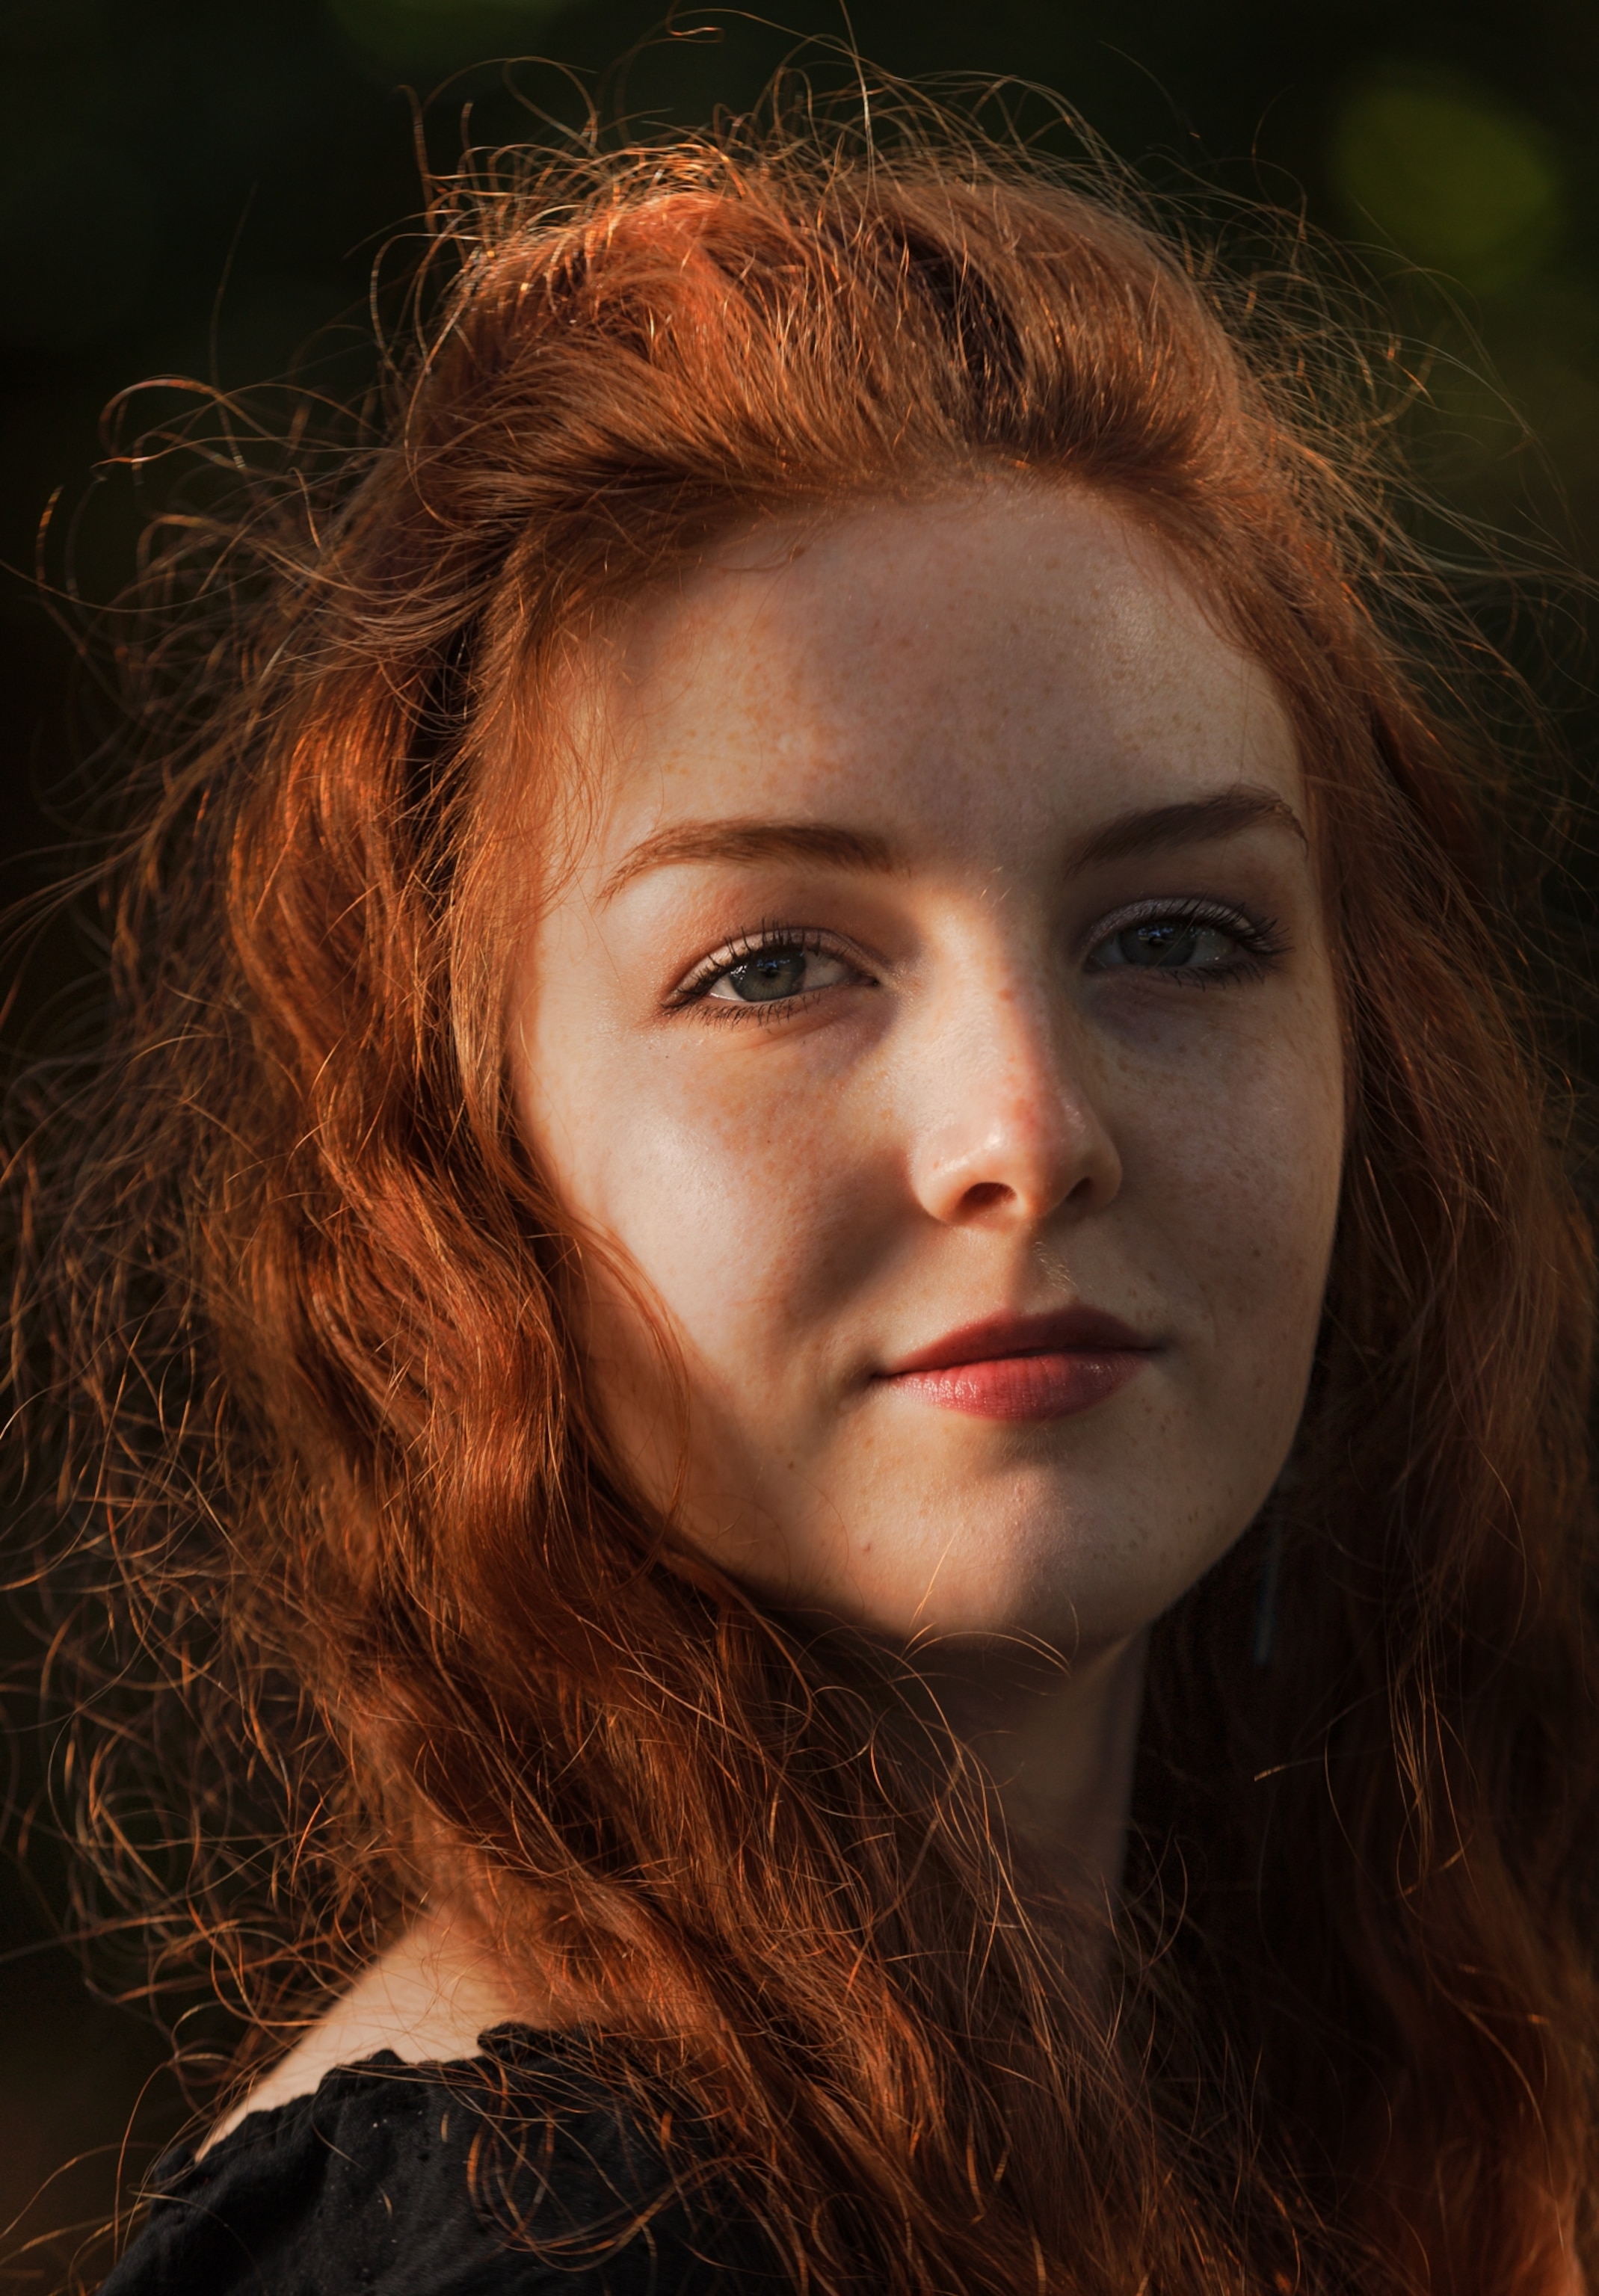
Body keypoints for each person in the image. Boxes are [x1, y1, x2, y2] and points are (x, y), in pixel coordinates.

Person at [12, 84, 1598, 2296]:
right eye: (770, 966)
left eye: (1177, 933)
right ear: (465, 1165)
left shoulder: (1306, 2108)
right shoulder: (514, 2251)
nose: (1025, 1130)